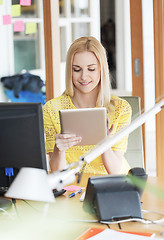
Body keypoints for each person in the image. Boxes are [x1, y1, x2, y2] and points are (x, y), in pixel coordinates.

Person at [43, 36, 132, 175]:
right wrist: (58, 149)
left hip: (111, 184)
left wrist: (104, 141)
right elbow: (56, 172)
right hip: (72, 185)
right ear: (69, 71)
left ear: (101, 70)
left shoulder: (121, 108)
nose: (84, 77)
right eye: (77, 69)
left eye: (91, 69)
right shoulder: (51, 109)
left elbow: (115, 170)